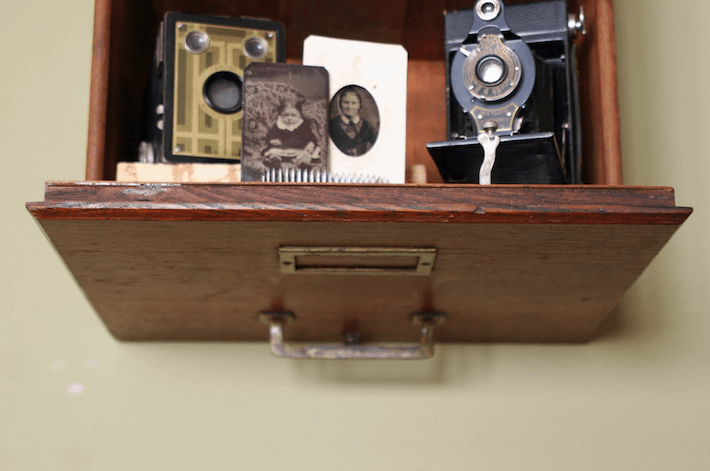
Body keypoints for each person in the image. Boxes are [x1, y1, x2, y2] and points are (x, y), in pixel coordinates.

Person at [262, 99, 321, 171]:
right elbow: (271, 134)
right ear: (280, 115)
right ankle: (275, 163)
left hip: (299, 149)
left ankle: (304, 165)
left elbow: (311, 136)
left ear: (300, 115)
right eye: (285, 115)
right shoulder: (279, 125)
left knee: (305, 156)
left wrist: (311, 143)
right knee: (273, 153)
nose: (289, 118)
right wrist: (273, 139)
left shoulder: (304, 125)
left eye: (293, 115)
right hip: (281, 149)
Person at [329, 87, 377, 157]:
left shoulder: (367, 126)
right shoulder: (332, 125)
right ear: (340, 104)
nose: (349, 107)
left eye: (353, 103)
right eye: (346, 102)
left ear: (359, 105)